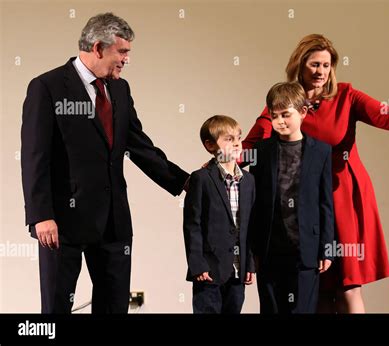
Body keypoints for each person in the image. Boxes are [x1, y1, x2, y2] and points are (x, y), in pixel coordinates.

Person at [242, 34, 389, 313]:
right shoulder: (287, 102)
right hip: (304, 204)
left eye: (326, 66)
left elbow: (386, 114)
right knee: (320, 286)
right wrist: (220, 163)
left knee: (348, 285)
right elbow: (253, 143)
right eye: (314, 65)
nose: (321, 72)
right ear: (299, 65)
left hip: (344, 195)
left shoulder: (346, 96)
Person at [21, 13, 189, 313]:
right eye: (122, 52)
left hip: (114, 223)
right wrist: (40, 215)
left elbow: (139, 146)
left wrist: (185, 181)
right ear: (98, 47)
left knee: (113, 307)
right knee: (57, 307)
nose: (126, 60)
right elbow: (35, 156)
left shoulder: (120, 90)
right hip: (62, 223)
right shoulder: (47, 87)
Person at [249, 82, 334, 314]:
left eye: (286, 114)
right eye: (274, 116)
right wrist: (250, 251)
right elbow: (254, 204)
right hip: (269, 249)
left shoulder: (322, 151)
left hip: (306, 248)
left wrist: (327, 247)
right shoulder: (261, 150)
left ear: (303, 112)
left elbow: (326, 202)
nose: (279, 121)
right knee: (271, 309)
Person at [183, 115, 255, 313]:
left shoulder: (248, 181)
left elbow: (249, 226)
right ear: (210, 145)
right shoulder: (201, 178)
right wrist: (197, 264)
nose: (237, 144)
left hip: (237, 269)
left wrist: (249, 263)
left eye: (238, 138)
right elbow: (192, 225)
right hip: (209, 269)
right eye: (229, 139)